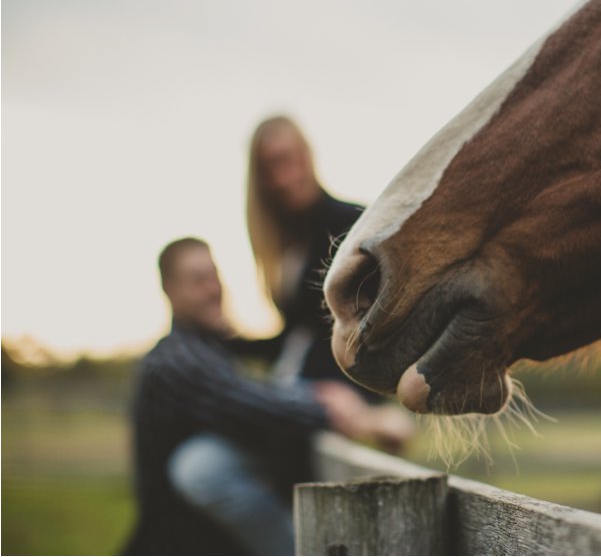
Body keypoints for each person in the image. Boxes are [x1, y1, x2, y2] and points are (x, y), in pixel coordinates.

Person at [123, 238, 410, 556]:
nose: (213, 289)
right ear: (170, 291)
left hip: (208, 542)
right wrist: (358, 418)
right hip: (177, 546)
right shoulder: (175, 360)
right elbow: (254, 405)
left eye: (214, 276)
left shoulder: (208, 350)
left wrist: (316, 393)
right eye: (197, 280)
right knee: (200, 466)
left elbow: (258, 392)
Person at [246, 116, 368, 385]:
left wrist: (353, 394)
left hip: (336, 393)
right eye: (273, 164)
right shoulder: (286, 244)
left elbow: (366, 329)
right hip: (292, 387)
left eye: (293, 157)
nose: (286, 175)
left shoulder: (350, 223)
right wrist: (221, 339)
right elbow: (294, 338)